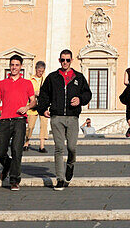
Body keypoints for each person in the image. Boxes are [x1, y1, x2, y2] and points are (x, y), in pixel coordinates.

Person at [37, 48, 93, 191]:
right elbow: (44, 94)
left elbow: (87, 93)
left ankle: (70, 164)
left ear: (71, 61)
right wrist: (43, 109)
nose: (65, 62)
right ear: (59, 60)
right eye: (63, 60)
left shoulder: (79, 77)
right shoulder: (52, 77)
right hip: (56, 117)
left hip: (73, 117)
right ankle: (60, 179)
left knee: (71, 147)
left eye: (68, 60)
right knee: (59, 148)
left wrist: (80, 99)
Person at [0, 55, 37, 190]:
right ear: (10, 66)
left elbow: (33, 101)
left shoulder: (27, 83)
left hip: (19, 121)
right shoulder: (2, 83)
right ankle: (8, 164)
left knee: (17, 150)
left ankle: (14, 179)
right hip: (4, 120)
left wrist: (27, 107)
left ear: (21, 67)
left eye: (17, 65)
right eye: (12, 65)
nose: (14, 67)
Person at [25, 61, 49, 153]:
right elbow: (26, 92)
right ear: (36, 69)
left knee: (43, 125)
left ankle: (42, 146)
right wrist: (35, 93)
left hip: (43, 106)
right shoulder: (30, 80)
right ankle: (26, 142)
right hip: (33, 105)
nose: (41, 73)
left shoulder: (46, 80)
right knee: (30, 126)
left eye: (42, 71)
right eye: (39, 71)